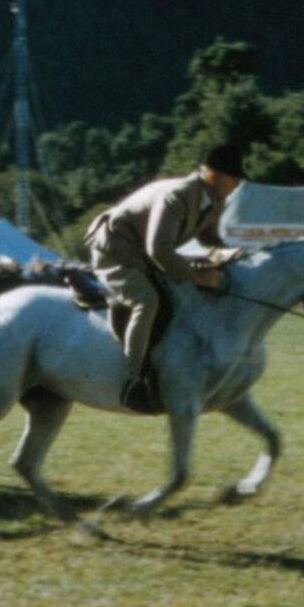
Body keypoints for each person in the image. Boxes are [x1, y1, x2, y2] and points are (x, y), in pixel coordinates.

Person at [85, 143, 245, 412]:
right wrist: (196, 275)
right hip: (114, 249)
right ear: (213, 176)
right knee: (146, 301)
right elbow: (158, 249)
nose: (236, 186)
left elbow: (209, 238)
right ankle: (131, 379)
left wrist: (233, 253)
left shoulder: (215, 198)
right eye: (233, 180)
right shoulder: (178, 195)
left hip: (142, 253)